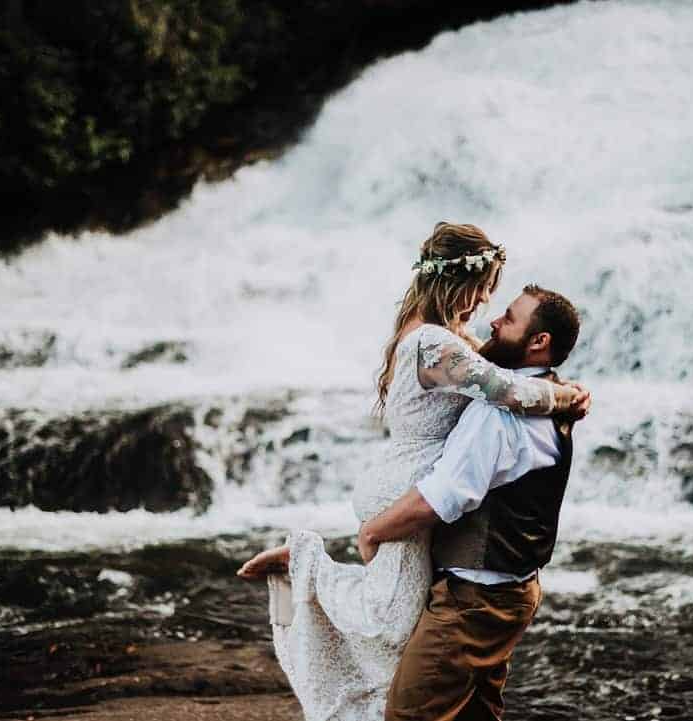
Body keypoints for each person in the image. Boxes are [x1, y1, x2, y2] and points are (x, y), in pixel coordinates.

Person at [237, 222, 589, 721]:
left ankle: (303, 565)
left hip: (423, 511)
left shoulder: (445, 338)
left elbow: (505, 379)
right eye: (488, 290)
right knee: (389, 632)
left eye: (501, 307)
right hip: (414, 499)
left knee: (408, 649)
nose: (489, 307)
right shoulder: (438, 346)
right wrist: (566, 396)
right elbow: (508, 392)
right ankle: (303, 562)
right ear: (463, 283)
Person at [358, 285, 581, 721]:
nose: (494, 322)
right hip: (509, 590)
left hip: (476, 597)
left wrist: (373, 530)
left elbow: (442, 498)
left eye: (510, 318)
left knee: (409, 715)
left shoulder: (500, 414)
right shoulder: (550, 397)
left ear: (539, 342)